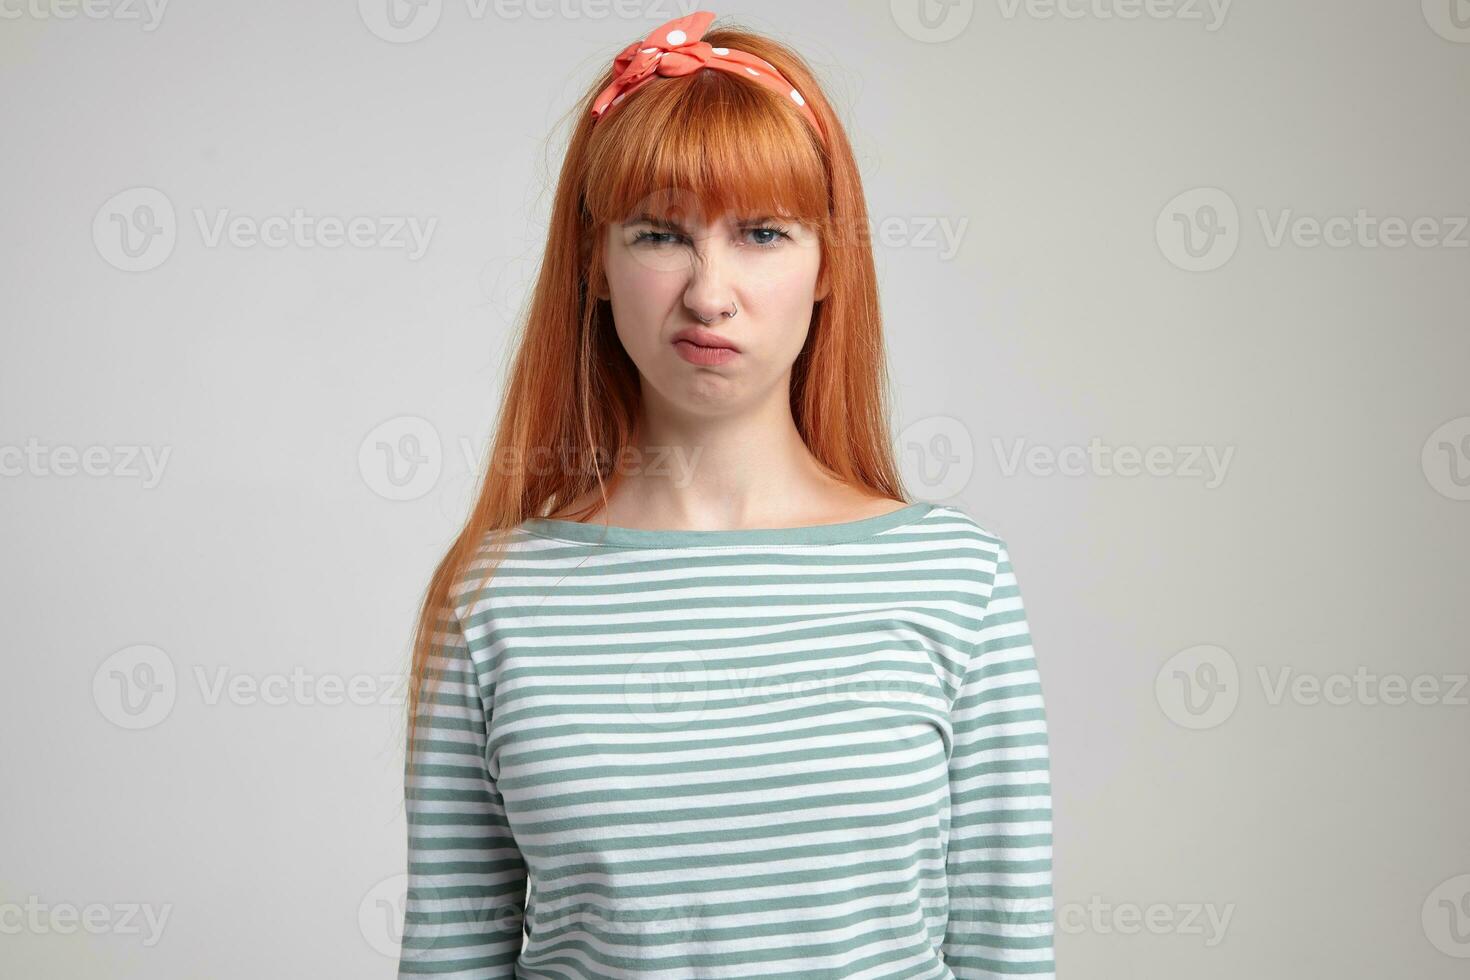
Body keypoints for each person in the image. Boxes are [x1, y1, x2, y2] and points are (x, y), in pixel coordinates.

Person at [398, 10, 1054, 978]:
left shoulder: (956, 580)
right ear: (596, 263)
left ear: (829, 260)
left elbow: (1008, 954)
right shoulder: (494, 596)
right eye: (660, 232)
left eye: (762, 233)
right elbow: (449, 958)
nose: (710, 291)